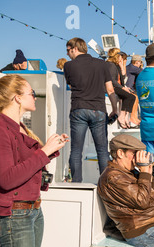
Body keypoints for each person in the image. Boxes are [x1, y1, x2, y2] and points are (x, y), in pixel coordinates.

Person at [0, 74, 69, 247]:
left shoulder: (19, 128)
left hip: (32, 211)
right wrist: (44, 152)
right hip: (15, 214)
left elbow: (26, 166)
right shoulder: (1, 129)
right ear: (17, 98)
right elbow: (7, 179)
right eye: (31, 93)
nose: (35, 98)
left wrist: (51, 147)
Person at [64, 37, 119, 182]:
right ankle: (105, 184)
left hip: (78, 109)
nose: (68, 54)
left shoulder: (68, 66)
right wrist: (115, 110)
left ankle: (76, 183)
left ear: (75, 48)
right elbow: (110, 89)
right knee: (102, 150)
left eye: (68, 51)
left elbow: (70, 85)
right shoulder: (102, 64)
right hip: (99, 110)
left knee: (76, 150)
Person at [107, 48, 139, 129]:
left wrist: (122, 68)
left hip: (116, 86)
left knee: (132, 96)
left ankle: (125, 117)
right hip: (112, 87)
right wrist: (123, 88)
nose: (121, 58)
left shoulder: (116, 66)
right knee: (129, 96)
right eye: (120, 56)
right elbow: (112, 81)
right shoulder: (110, 65)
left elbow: (123, 80)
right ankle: (121, 116)